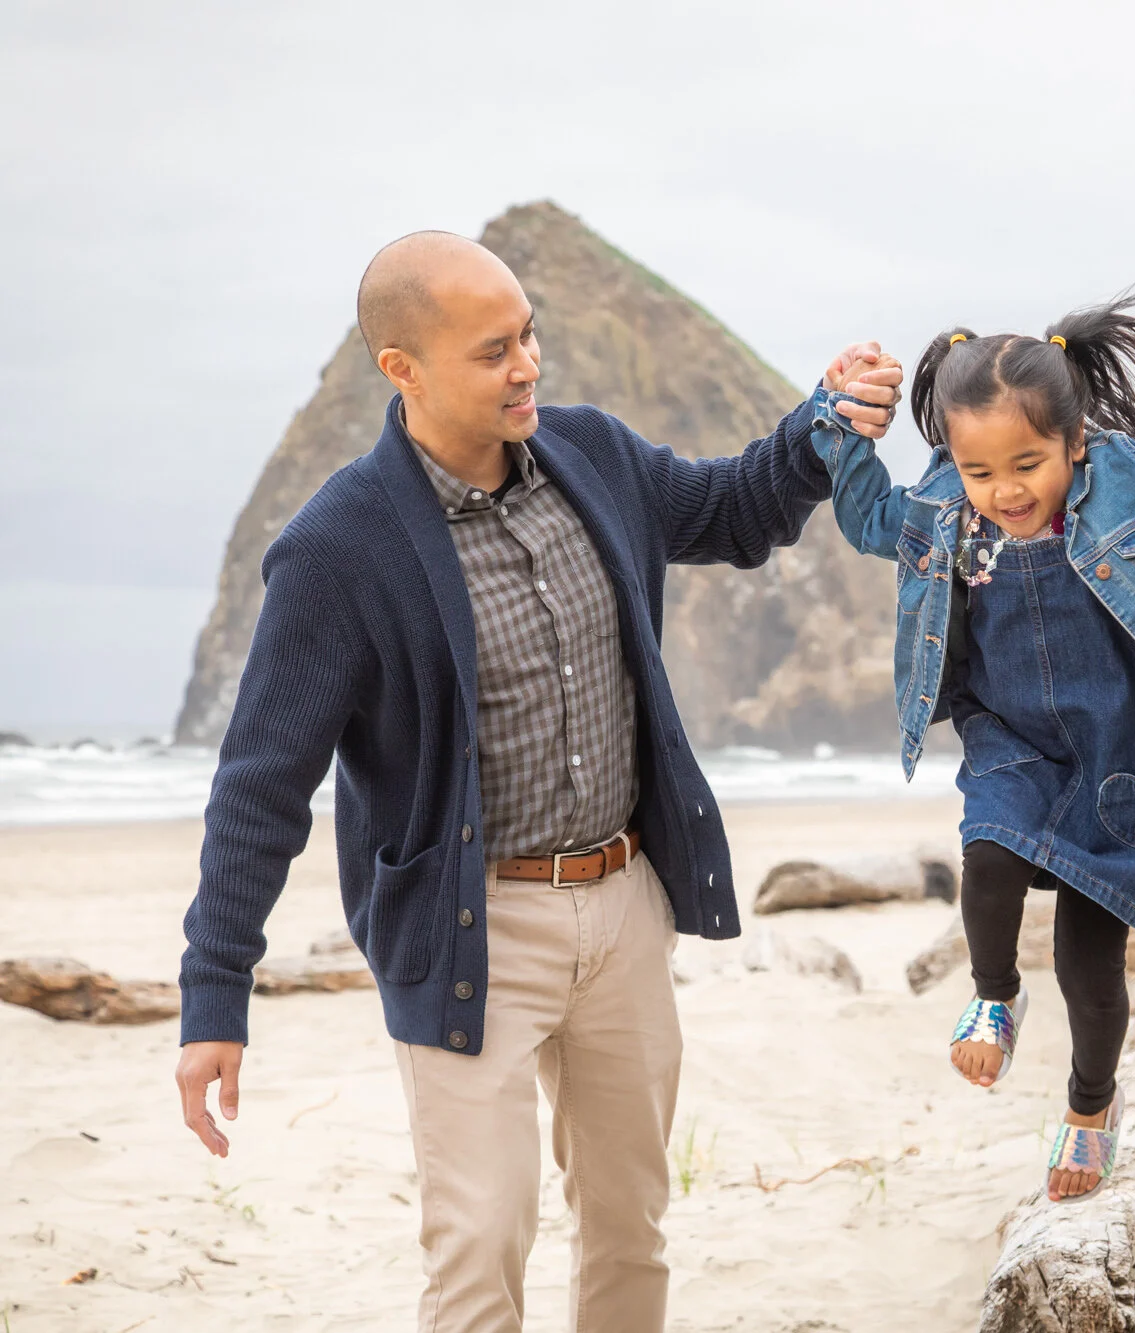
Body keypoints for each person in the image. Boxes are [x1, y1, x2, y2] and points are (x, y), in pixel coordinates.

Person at [172, 229, 901, 1331]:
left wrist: (817, 424)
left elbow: (731, 507)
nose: (525, 367)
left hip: (623, 904)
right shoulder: (336, 549)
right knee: (479, 1243)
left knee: (629, 1223)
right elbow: (260, 785)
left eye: (528, 337)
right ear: (402, 369)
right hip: (470, 929)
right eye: (490, 351)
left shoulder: (593, 456)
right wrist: (213, 992)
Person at [809, 289, 1135, 1200]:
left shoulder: (1130, 478)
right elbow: (864, 520)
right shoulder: (946, 512)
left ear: (1074, 441)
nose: (1006, 491)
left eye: (1027, 463)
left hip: (1122, 760)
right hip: (1010, 739)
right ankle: (994, 993)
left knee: (1089, 967)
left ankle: (1091, 1105)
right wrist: (841, 422)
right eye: (980, 471)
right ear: (953, 461)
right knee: (988, 850)